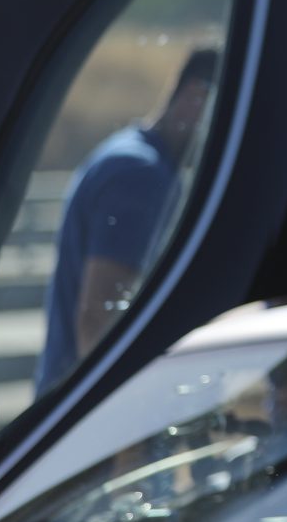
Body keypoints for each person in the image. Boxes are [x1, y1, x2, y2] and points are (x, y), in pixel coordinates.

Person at [36, 46, 219, 395]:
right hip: (86, 414)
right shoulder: (141, 174)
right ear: (196, 95)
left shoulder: (128, 153)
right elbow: (99, 316)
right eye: (224, 113)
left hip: (66, 399)